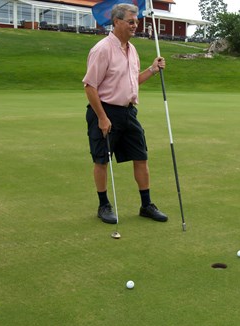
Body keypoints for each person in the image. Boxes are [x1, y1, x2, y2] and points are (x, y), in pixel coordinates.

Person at [83, 3, 168, 225]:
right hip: (105, 111)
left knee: (141, 157)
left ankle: (146, 205)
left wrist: (151, 70)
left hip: (129, 112)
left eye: (137, 21)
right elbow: (90, 86)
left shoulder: (132, 50)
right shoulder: (102, 49)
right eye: (131, 21)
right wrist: (102, 117)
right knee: (102, 160)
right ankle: (104, 205)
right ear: (117, 22)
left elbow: (133, 82)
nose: (135, 25)